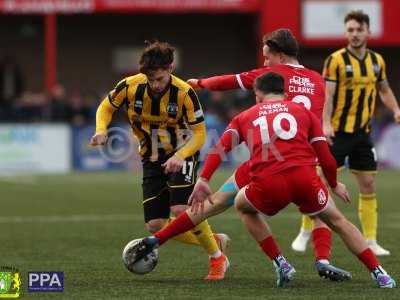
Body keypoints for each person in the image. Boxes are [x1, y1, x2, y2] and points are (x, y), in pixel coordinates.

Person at [132, 73, 395, 288]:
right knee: (338, 220)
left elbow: (218, 151)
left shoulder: (246, 116)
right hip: (304, 176)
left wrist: (202, 179)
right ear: (284, 92)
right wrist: (334, 182)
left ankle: (280, 262)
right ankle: (380, 273)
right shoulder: (303, 113)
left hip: (268, 178)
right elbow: (325, 156)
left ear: (257, 94)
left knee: (235, 204)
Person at [186, 28, 350, 280]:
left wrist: (199, 83)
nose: (264, 62)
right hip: (306, 159)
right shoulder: (317, 79)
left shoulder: (269, 75)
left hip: (267, 160)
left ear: (280, 56)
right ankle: (323, 260)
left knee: (222, 201)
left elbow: (228, 82)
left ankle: (163, 237)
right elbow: (321, 113)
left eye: (267, 57)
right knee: (322, 212)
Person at [90, 41, 229, 280]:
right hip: (151, 158)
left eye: (160, 79)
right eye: (150, 79)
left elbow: (200, 135)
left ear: (171, 68)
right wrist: (101, 129)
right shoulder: (130, 86)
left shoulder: (185, 93)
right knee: (155, 225)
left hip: (182, 151)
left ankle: (217, 258)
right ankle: (211, 239)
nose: (154, 84)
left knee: (181, 209)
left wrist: (180, 156)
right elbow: (106, 106)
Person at [293, 10, 400, 256]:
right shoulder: (336, 60)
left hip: (363, 132)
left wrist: (395, 109)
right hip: (337, 133)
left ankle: (371, 240)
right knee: (317, 181)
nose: (354, 34)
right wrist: (326, 124)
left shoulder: (377, 61)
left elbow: (384, 89)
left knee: (368, 183)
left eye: (359, 29)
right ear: (346, 32)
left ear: (368, 32)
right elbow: (327, 95)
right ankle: (306, 229)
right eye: (350, 30)